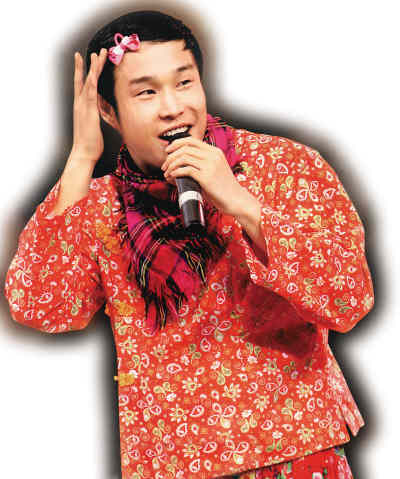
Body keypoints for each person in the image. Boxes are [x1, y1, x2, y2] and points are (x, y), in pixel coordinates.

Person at [4, 10, 374, 479]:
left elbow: (348, 299)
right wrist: (81, 157)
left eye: (184, 83)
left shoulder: (283, 166)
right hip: (172, 463)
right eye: (146, 92)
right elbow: (43, 306)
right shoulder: (100, 205)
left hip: (294, 452)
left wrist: (241, 204)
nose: (173, 107)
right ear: (108, 111)